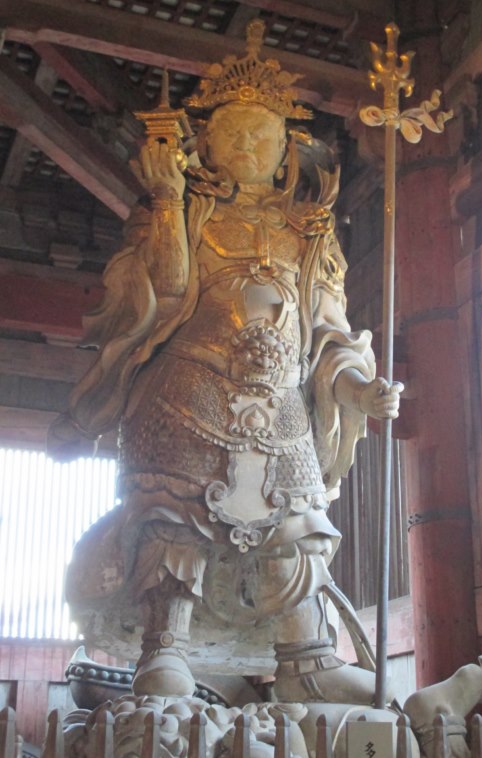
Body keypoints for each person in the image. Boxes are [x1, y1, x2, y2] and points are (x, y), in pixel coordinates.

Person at [51, 20, 400, 703]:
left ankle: (308, 656)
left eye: (262, 135)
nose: (247, 147)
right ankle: (166, 646)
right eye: (232, 133)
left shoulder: (310, 233)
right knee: (175, 515)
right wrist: (167, 201)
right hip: (189, 388)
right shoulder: (183, 211)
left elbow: (328, 334)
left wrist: (360, 389)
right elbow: (165, 293)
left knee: (298, 524)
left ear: (286, 148)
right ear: (203, 143)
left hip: (283, 405)